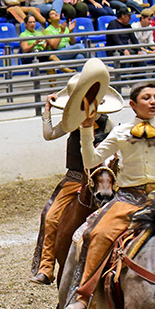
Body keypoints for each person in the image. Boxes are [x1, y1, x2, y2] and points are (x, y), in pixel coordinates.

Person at [63, 81, 155, 309]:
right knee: (98, 234)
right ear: (133, 104)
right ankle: (85, 296)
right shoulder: (119, 133)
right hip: (128, 199)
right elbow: (91, 161)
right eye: (147, 98)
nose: (153, 102)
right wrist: (87, 130)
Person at [31, 91, 114, 285]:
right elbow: (49, 134)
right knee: (50, 217)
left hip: (103, 180)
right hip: (75, 179)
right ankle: (47, 266)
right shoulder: (72, 121)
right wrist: (48, 111)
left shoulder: (108, 124)